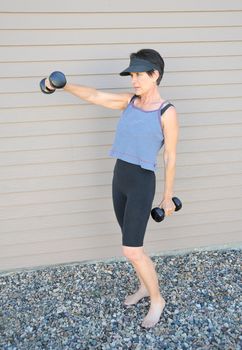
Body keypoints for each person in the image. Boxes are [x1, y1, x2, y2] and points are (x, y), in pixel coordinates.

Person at [43, 48, 179, 328]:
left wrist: (167, 197)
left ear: (156, 75)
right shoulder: (129, 102)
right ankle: (143, 287)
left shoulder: (167, 112)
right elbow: (95, 95)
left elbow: (170, 156)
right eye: (132, 74)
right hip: (121, 177)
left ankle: (157, 300)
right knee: (132, 243)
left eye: (140, 74)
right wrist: (64, 85)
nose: (134, 80)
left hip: (142, 181)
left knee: (131, 250)